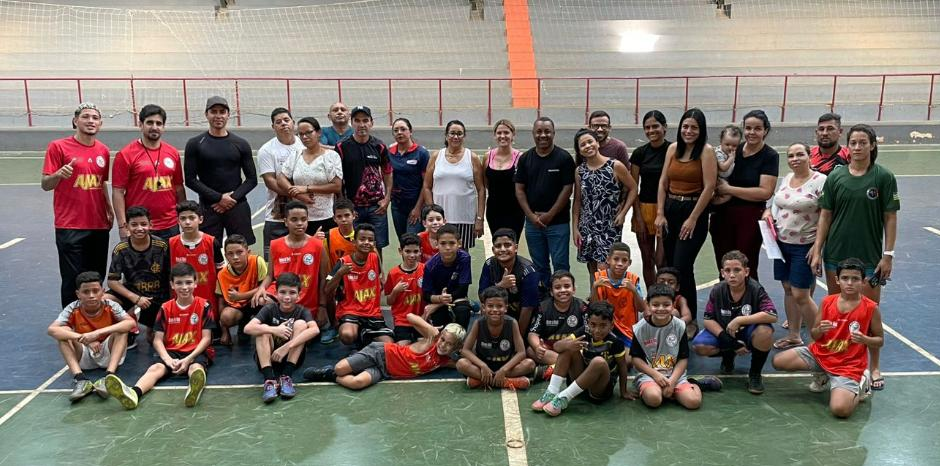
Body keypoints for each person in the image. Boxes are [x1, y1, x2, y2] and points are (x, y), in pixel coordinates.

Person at [810, 124, 899, 391]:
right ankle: (831, 365)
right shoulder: (836, 176)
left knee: (868, 314)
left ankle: (874, 367)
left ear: (872, 145)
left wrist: (888, 255)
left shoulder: (884, 177)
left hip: (869, 258)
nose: (858, 147)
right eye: (853, 143)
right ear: (847, 146)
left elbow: (890, 217)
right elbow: (825, 215)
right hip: (836, 255)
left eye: (863, 142)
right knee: (836, 314)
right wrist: (817, 249)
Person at [772, 258, 882, 418]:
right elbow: (815, 335)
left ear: (863, 281)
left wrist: (865, 339)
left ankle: (861, 386)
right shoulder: (827, 302)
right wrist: (820, 330)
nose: (849, 283)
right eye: (845, 278)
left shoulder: (871, 308)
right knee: (778, 361)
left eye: (855, 279)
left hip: (848, 365)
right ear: (837, 280)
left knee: (840, 410)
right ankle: (822, 375)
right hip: (820, 355)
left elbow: (879, 340)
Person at [104, 263, 214, 410]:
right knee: (155, 368)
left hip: (196, 351)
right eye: (179, 283)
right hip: (172, 351)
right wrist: (167, 359)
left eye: (188, 282)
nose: (184, 287)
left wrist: (188, 359)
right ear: (172, 285)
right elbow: (157, 340)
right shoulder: (165, 308)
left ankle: (193, 390)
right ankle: (134, 393)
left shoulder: (204, 305)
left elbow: (206, 338)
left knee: (196, 368)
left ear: (195, 283)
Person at [42, 102, 114, 308]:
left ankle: (94, 318)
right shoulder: (58, 147)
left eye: (95, 118)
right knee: (72, 279)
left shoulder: (103, 151)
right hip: (70, 225)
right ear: (75, 121)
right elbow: (45, 184)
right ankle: (71, 319)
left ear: (100, 124)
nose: (91, 121)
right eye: (85, 117)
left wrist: (109, 209)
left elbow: (101, 183)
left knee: (96, 277)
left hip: (98, 224)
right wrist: (58, 174)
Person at [654, 108, 716, 327]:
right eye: (686, 126)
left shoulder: (706, 152)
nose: (689, 131)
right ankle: (670, 314)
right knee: (669, 265)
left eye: (694, 128)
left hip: (693, 210)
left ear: (701, 130)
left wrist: (693, 218)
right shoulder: (673, 149)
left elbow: (709, 187)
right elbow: (663, 182)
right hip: (671, 209)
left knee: (682, 267)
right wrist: (660, 213)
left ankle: (690, 320)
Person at [765, 143, 825, 350]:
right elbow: (777, 202)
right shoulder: (787, 178)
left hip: (804, 246)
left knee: (801, 294)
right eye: (790, 156)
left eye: (800, 154)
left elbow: (827, 216)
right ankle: (794, 335)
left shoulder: (820, 181)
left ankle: (822, 341)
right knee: (788, 289)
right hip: (781, 245)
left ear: (810, 156)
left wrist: (818, 247)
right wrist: (768, 212)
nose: (795, 159)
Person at [692, 251, 777, 394]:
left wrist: (740, 320)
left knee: (765, 332)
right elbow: (708, 319)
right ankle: (728, 354)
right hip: (725, 332)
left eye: (737, 270)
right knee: (700, 346)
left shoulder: (755, 289)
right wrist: (729, 342)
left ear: (746, 272)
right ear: (722, 273)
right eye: (727, 270)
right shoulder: (717, 290)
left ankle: (755, 374)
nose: (732, 275)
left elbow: (772, 315)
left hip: (748, 332)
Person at [302, 315, 466, 389]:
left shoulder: (445, 360)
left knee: (356, 383)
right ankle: (337, 369)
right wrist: (430, 329)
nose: (443, 345)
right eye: (443, 340)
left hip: (385, 372)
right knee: (340, 369)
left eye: (449, 344)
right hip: (381, 353)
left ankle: (329, 374)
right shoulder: (432, 339)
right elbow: (410, 317)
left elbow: (463, 362)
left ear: (455, 347)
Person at [184, 96, 258, 257]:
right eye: (214, 112)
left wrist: (231, 199)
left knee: (241, 253)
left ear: (228, 115)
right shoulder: (195, 144)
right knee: (208, 252)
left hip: (237, 206)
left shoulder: (241, 143)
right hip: (209, 207)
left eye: (222, 112)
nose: (218, 116)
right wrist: (218, 198)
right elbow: (190, 179)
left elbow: (252, 179)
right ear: (206, 114)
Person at [712, 109, 779, 282]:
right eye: (748, 128)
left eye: (757, 128)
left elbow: (765, 192)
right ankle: (724, 298)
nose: (752, 132)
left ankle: (750, 299)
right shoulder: (734, 149)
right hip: (723, 216)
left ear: (765, 130)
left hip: (749, 218)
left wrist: (729, 190)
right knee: (724, 265)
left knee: (746, 265)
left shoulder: (770, 156)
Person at [48, 271, 135, 403]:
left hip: (108, 352)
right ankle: (80, 379)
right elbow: (52, 329)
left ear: (103, 292)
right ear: (78, 294)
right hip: (84, 354)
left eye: (95, 291)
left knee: (122, 330)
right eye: (86, 292)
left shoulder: (111, 305)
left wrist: (97, 333)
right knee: (63, 332)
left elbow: (130, 323)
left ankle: (108, 377)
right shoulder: (72, 308)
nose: (91, 296)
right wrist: (85, 339)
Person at [534, 301, 632, 416]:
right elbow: (557, 347)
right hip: (580, 386)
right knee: (568, 349)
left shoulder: (615, 342)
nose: (597, 330)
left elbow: (622, 367)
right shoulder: (584, 332)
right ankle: (551, 392)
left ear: (611, 325)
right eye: (593, 325)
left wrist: (624, 391)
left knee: (599, 362)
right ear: (588, 323)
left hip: (599, 390)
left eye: (603, 326)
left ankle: (564, 397)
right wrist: (568, 345)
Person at [515, 117, 576, 292]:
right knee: (539, 265)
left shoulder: (564, 158)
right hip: (533, 224)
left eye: (547, 131)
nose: (543, 135)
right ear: (533, 134)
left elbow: (567, 189)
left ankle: (563, 297)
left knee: (560, 264)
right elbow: (519, 189)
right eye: (539, 131)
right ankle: (545, 297)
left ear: (554, 133)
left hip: (558, 223)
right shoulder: (525, 158)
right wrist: (531, 216)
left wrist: (550, 214)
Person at [572, 129, 638, 283]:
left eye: (590, 142)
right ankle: (595, 296)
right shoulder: (580, 171)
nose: (588, 146)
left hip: (609, 226)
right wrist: (575, 228)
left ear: (597, 143)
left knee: (604, 269)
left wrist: (623, 213)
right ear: (579, 150)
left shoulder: (615, 166)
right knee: (592, 269)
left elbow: (633, 188)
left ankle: (606, 297)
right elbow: (578, 201)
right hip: (587, 226)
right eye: (583, 144)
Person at [245, 272, 320, 403]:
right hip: (268, 359)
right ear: (276, 293)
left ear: (299, 295)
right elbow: (248, 328)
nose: (287, 297)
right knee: (262, 330)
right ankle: (269, 380)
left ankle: (286, 377)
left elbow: (315, 330)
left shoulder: (302, 311)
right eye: (283, 292)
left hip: (291, 359)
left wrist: (287, 347)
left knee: (301, 324)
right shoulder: (270, 308)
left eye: (292, 293)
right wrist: (274, 329)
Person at [112, 104, 185, 241]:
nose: (154, 127)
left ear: (163, 127)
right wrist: (122, 226)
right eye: (150, 123)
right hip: (139, 226)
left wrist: (183, 217)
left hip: (170, 225)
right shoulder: (125, 154)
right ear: (141, 125)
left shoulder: (173, 153)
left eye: (159, 123)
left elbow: (179, 188)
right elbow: (118, 192)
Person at [105, 206, 170, 345]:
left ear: (151, 225)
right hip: (133, 293)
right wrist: (134, 298)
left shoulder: (162, 246)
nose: (139, 228)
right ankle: (128, 328)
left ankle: (151, 325)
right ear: (126, 226)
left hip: (158, 297)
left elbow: (171, 277)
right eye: (134, 224)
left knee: (156, 340)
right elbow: (112, 281)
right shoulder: (121, 249)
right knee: (105, 300)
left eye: (143, 224)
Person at [631, 284, 701, 410]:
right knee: (654, 399)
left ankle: (694, 384)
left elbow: (683, 358)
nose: (661, 308)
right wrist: (656, 375)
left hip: (674, 375)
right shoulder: (640, 329)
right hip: (650, 375)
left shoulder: (679, 326)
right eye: (655, 305)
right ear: (648, 304)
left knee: (693, 402)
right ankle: (659, 390)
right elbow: (636, 359)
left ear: (673, 305)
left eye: (666, 304)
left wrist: (672, 382)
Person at [335, 106, 393, 259]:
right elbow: (337, 178)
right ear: (351, 123)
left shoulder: (379, 146)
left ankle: (377, 272)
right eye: (357, 121)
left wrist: (387, 199)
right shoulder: (341, 147)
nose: (362, 125)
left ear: (371, 123)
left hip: (376, 207)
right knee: (352, 245)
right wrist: (344, 205)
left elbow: (387, 172)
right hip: (353, 208)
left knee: (376, 246)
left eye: (365, 120)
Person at [324, 223, 394, 348]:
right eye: (362, 239)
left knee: (388, 344)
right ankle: (360, 333)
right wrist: (339, 274)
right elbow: (327, 289)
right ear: (354, 242)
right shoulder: (343, 262)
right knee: (347, 335)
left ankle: (363, 333)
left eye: (370, 240)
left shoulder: (375, 258)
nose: (366, 242)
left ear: (374, 243)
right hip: (350, 311)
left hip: (372, 313)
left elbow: (380, 281)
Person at [265, 201, 328, 332]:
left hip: (307, 306)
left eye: (303, 219)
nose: (299, 223)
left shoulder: (318, 245)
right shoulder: (275, 245)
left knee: (300, 332)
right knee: (262, 300)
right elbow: (270, 275)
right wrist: (261, 289)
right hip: (284, 299)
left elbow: (324, 279)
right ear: (286, 221)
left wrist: (322, 307)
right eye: (294, 219)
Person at [456, 286, 535, 390]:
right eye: (490, 306)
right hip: (483, 367)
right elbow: (465, 350)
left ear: (506, 308)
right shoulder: (478, 323)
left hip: (506, 366)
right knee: (461, 364)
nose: (494, 310)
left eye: (499, 306)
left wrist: (504, 370)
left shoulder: (512, 323)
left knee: (530, 364)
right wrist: (483, 366)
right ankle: (507, 382)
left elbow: (521, 353)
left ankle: (482, 381)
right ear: (483, 307)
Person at [423, 120, 485, 249]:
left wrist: (479, 218)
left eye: (459, 133)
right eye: (452, 133)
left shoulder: (472, 158)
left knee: (462, 254)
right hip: (440, 220)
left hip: (465, 218)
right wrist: (432, 212)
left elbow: (481, 190)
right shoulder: (436, 156)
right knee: (440, 253)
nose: (455, 137)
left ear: (464, 136)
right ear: (446, 135)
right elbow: (427, 187)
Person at [278, 116, 343, 235]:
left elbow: (336, 186)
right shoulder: (296, 155)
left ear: (318, 133)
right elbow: (281, 178)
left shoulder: (331, 156)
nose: (304, 137)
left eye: (308, 132)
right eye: (301, 134)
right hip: (300, 220)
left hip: (325, 217)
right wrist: (297, 194)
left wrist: (307, 188)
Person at [629, 110, 669, 288]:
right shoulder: (640, 153)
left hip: (666, 209)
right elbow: (633, 187)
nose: (651, 130)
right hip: (644, 209)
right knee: (647, 259)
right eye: (647, 127)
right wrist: (638, 215)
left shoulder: (672, 150)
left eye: (655, 126)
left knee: (661, 259)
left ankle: (664, 294)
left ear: (664, 127)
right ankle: (652, 295)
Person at [258, 107, 304, 260]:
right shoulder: (266, 150)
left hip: (305, 214)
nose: (283, 124)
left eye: (286, 120)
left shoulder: (305, 145)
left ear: (293, 123)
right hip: (277, 215)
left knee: (304, 260)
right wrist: (298, 195)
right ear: (273, 127)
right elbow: (270, 181)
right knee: (275, 261)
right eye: (278, 122)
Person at [168, 201, 223, 329]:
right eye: (183, 218)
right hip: (181, 301)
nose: (187, 222)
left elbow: (221, 271)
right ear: (178, 221)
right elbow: (168, 275)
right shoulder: (171, 244)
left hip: (209, 300)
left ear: (200, 219)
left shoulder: (212, 242)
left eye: (192, 218)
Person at [478, 228, 539, 332]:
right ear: (493, 250)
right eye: (498, 246)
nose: (502, 249)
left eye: (507, 245)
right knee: (484, 308)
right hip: (503, 310)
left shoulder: (529, 271)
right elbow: (482, 296)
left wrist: (517, 336)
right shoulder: (489, 264)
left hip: (526, 314)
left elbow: (528, 309)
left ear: (515, 248)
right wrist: (500, 286)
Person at [216, 234, 269, 346]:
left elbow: (265, 287)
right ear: (225, 256)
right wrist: (225, 331)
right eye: (230, 254)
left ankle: (268, 327)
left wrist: (240, 296)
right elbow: (221, 302)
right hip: (238, 308)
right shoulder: (222, 275)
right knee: (226, 316)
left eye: (239, 252)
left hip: (255, 302)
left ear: (248, 252)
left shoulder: (257, 261)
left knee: (264, 300)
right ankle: (244, 322)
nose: (235, 257)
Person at [591, 242, 646, 348]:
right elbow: (593, 307)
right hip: (603, 328)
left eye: (624, 260)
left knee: (628, 355)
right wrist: (594, 288)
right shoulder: (599, 278)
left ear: (629, 263)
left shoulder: (633, 280)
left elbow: (641, 308)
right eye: (616, 259)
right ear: (608, 260)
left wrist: (634, 291)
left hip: (627, 329)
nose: (620, 263)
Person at [527, 271, 586, 366]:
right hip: (551, 349)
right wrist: (537, 347)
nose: (562, 290)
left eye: (567, 286)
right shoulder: (543, 308)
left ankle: (556, 367)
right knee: (530, 350)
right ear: (551, 292)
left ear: (574, 289)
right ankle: (566, 366)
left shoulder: (581, 306)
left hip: (573, 348)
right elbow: (532, 333)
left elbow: (589, 329)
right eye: (557, 287)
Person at [421, 224, 473, 329]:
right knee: (439, 323)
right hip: (437, 298)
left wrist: (441, 303)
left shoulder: (464, 258)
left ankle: (460, 337)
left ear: (459, 243)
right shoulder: (430, 266)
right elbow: (426, 295)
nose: (448, 248)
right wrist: (439, 299)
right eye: (443, 243)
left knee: (463, 311)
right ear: (436, 244)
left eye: (452, 243)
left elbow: (463, 290)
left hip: (457, 298)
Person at [320, 198, 358, 344]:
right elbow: (325, 265)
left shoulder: (361, 235)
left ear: (354, 215)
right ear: (334, 218)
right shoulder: (328, 236)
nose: (343, 219)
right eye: (339, 216)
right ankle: (333, 325)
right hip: (336, 275)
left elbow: (374, 257)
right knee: (328, 288)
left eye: (347, 215)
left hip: (357, 276)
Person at [483, 119, 525, 238]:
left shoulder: (521, 158)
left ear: (513, 135)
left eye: (506, 132)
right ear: (494, 135)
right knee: (497, 243)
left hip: (515, 211)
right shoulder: (487, 157)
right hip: (494, 210)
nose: (502, 136)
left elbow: (525, 186)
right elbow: (486, 183)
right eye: (499, 133)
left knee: (512, 244)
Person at [388, 117, 429, 237]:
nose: (399, 132)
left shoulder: (421, 153)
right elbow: (387, 178)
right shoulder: (389, 152)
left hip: (416, 205)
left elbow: (426, 183)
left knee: (413, 240)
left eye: (403, 129)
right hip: (397, 206)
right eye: (396, 130)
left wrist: (418, 208)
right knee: (403, 241)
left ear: (410, 131)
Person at [385, 233, 426, 344]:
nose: (412, 255)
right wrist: (395, 291)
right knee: (403, 346)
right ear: (400, 251)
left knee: (423, 345)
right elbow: (389, 301)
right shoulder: (393, 273)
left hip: (421, 318)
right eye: (407, 251)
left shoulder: (425, 269)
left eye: (415, 251)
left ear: (421, 251)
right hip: (402, 320)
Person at [710, 124, 742, 205]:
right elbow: (723, 168)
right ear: (721, 142)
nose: (730, 147)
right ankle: (710, 204)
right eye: (727, 144)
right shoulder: (719, 152)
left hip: (725, 178)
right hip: (717, 178)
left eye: (734, 145)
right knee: (727, 196)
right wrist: (731, 159)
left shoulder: (732, 153)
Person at [654, 267, 693, 331]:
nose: (666, 284)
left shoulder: (679, 299)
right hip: (654, 327)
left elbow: (687, 316)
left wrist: (674, 325)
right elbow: (647, 313)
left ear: (677, 287)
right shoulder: (651, 298)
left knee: (674, 312)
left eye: (671, 282)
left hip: (673, 328)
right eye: (661, 282)